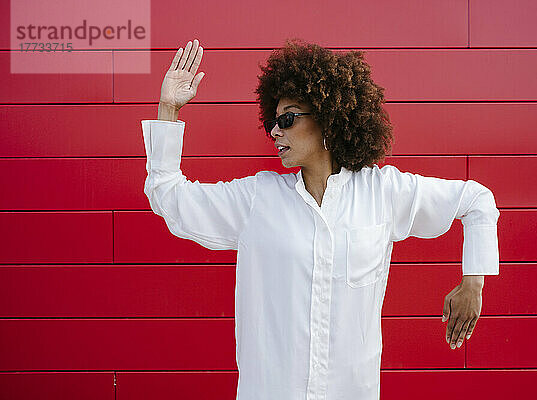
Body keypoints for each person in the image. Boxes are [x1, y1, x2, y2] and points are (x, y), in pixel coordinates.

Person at [142, 38, 500, 400]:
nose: (275, 132)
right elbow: (170, 198)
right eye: (272, 122)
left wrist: (474, 282)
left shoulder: (383, 193)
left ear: (328, 117)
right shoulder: (256, 200)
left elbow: (476, 200)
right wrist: (168, 108)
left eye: (287, 118)